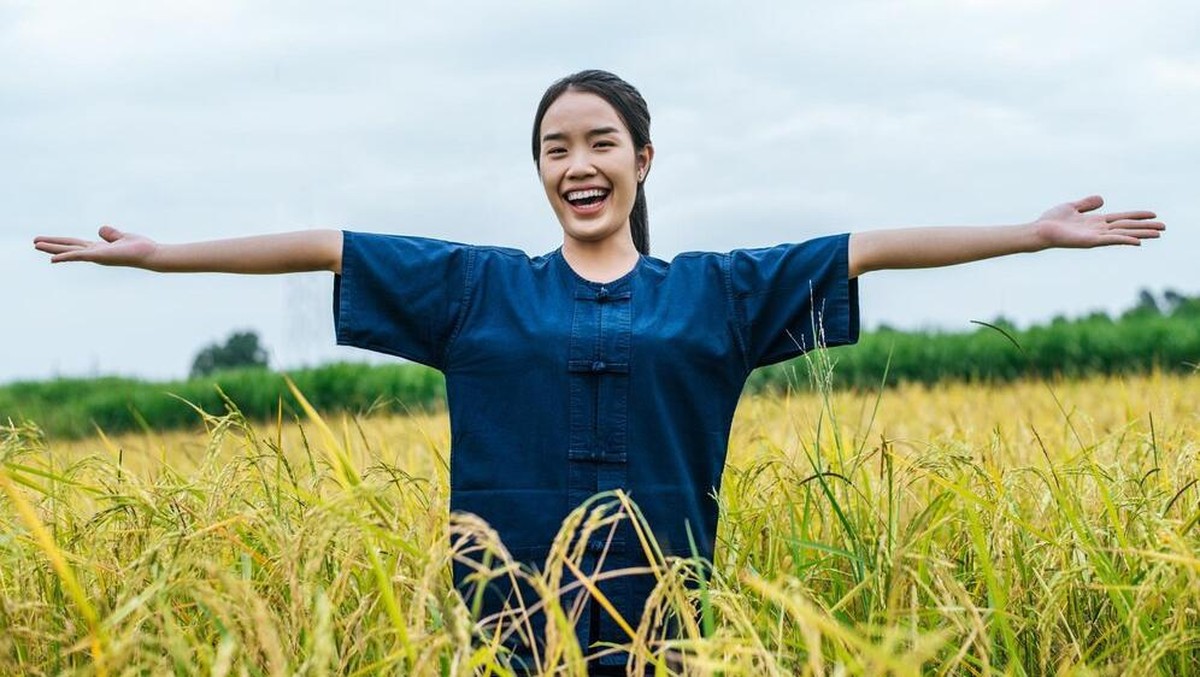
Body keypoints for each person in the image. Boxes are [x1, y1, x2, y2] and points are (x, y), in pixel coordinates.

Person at [33, 69, 1164, 675]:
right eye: (555, 148)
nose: (577, 163)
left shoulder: (717, 293)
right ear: (539, 170)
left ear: (642, 159)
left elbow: (868, 247)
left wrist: (1032, 234)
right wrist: (160, 256)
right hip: (503, 634)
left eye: (599, 142)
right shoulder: (475, 288)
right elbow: (325, 243)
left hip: (669, 631)